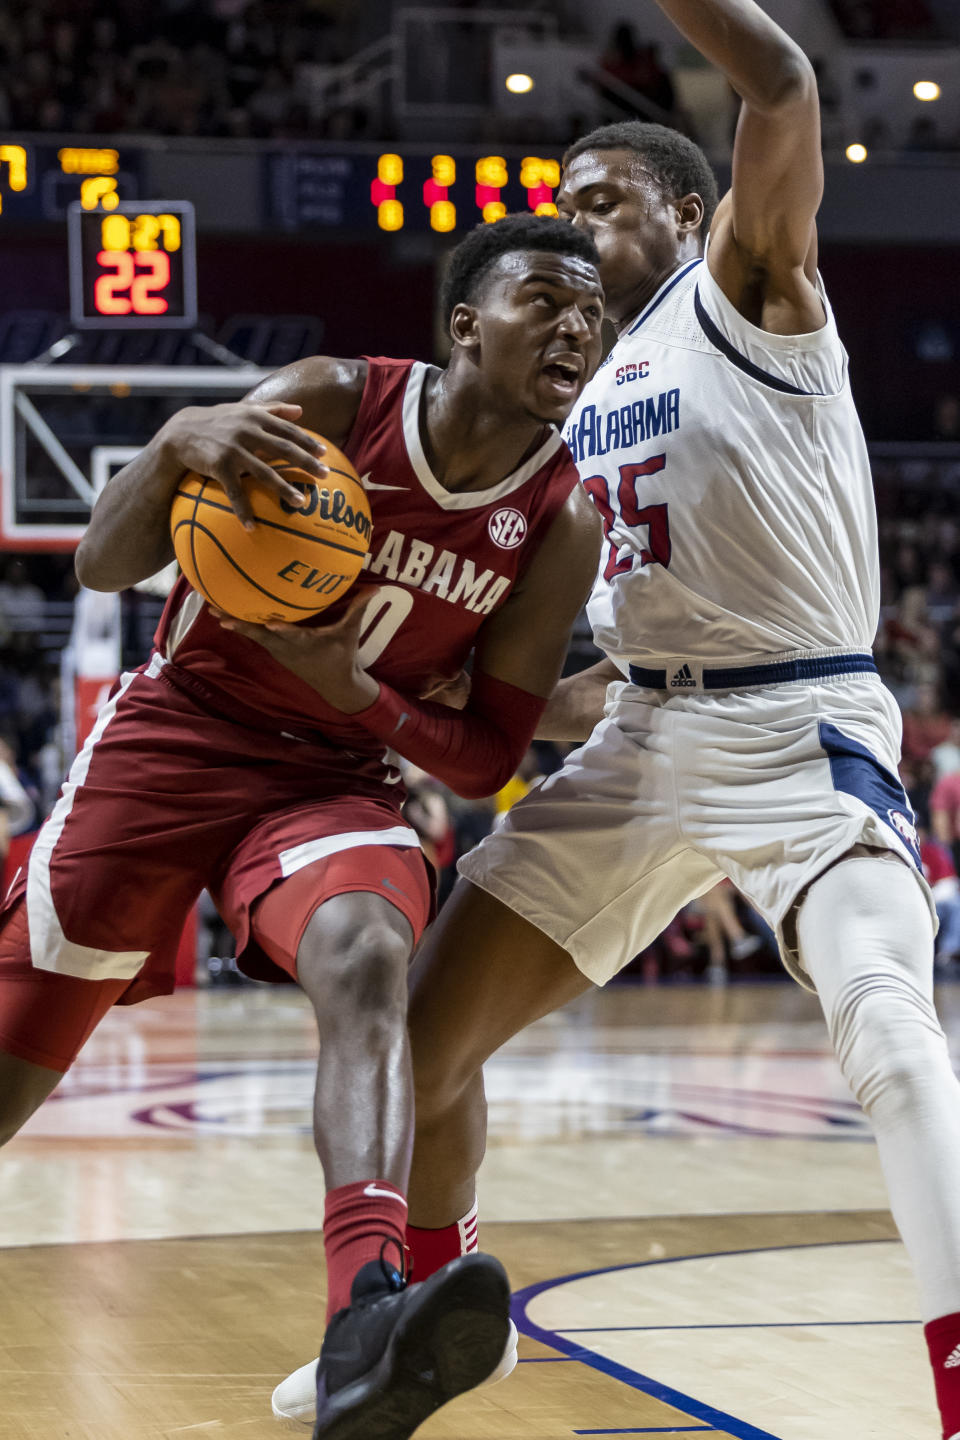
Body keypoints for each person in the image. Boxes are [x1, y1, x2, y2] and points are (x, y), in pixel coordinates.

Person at [277, 2, 960, 1435]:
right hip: (642, 742)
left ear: (692, 211)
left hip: (798, 728)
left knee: (893, 1035)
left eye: (603, 203)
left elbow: (774, 79)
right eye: (560, 210)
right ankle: (437, 1321)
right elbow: (571, 666)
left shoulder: (750, 291)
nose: (576, 229)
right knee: (421, 1040)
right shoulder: (572, 404)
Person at [0, 214, 605, 1440]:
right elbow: (104, 568)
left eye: (592, 311)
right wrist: (175, 448)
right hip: (173, 743)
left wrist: (362, 699)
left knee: (370, 959)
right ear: (464, 327)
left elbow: (490, 754)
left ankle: (364, 1315)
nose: (577, 325)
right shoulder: (332, 400)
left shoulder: (561, 520)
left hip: (332, 773)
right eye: (544, 298)